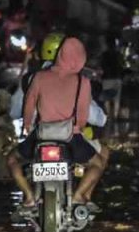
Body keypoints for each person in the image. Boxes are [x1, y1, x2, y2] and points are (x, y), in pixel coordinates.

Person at [9, 36, 110, 211]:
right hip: (70, 136)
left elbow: (29, 105)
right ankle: (79, 195)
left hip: (41, 134)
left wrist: (27, 126)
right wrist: (78, 128)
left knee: (12, 160)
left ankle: (29, 196)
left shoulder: (38, 77)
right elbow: (83, 113)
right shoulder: (82, 81)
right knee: (98, 163)